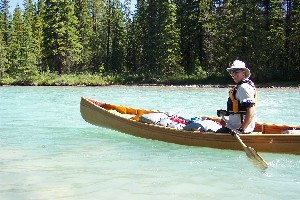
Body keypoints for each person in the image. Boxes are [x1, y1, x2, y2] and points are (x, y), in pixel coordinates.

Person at [216, 60, 256, 134]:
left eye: (236, 71)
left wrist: (241, 129)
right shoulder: (240, 87)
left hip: (237, 130)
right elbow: (238, 110)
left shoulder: (244, 88)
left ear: (243, 72)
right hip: (233, 127)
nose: (233, 74)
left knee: (214, 136)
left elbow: (251, 111)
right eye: (231, 72)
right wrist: (225, 113)